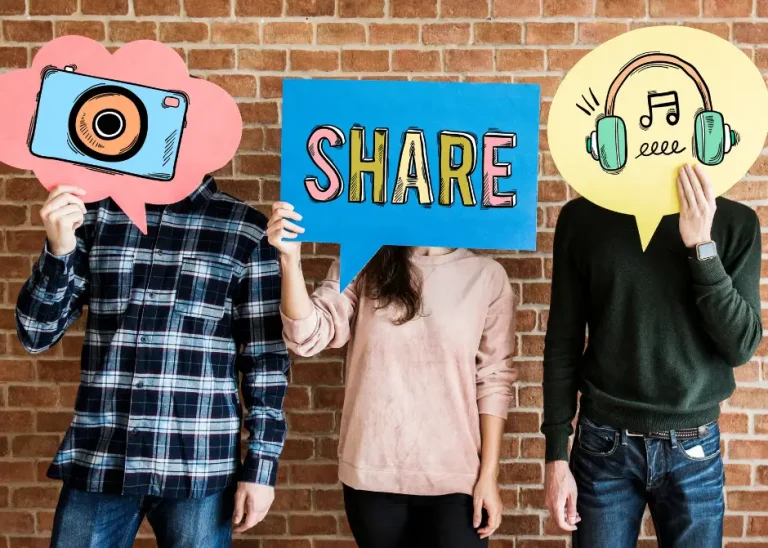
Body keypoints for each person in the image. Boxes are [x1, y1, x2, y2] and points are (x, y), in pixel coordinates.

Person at [16, 176, 290, 548]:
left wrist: (261, 467)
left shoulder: (245, 229)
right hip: (102, 453)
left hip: (199, 463)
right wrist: (60, 249)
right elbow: (36, 333)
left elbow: (265, 359)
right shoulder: (94, 216)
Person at [268, 201, 517, 547]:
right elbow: (307, 335)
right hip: (374, 475)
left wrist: (489, 474)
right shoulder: (365, 261)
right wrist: (289, 260)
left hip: (455, 477)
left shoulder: (487, 276)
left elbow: (493, 379)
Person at [542, 164, 762, 547]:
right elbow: (563, 342)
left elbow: (740, 345)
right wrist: (556, 456)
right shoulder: (582, 219)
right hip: (603, 448)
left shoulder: (735, 222)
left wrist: (702, 248)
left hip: (694, 448)